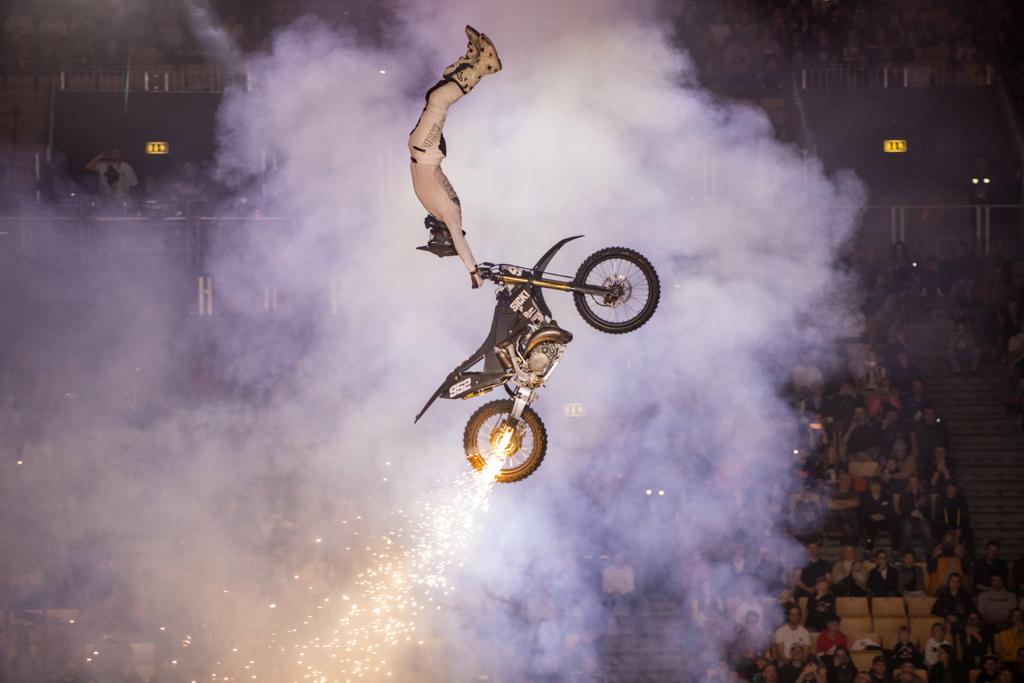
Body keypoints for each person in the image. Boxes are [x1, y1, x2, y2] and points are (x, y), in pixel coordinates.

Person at [408, 26, 502, 288]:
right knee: (439, 100)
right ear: (448, 235)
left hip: (422, 150)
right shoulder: (450, 214)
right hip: (426, 152)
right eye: (438, 238)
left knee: (434, 96)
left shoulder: (435, 210)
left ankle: (472, 59)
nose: (434, 234)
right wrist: (473, 272)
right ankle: (484, 66)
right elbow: (461, 241)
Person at [601, 552, 644, 636]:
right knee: (604, 603)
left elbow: (631, 586)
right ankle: (604, 630)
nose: (620, 560)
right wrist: (614, 592)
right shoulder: (607, 571)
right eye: (617, 558)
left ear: (624, 560)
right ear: (613, 559)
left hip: (625, 594)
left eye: (621, 559)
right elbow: (605, 587)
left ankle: (639, 630)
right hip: (611, 594)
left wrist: (621, 592)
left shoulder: (629, 570)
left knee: (635, 603)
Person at [896, 476, 934, 556]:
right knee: (907, 530)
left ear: (919, 483)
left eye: (916, 481)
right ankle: (905, 554)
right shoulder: (904, 495)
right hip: (908, 518)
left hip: (922, 518)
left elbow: (928, 508)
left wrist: (921, 513)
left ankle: (929, 555)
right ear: (909, 484)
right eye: (912, 482)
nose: (914, 483)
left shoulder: (925, 495)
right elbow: (903, 508)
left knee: (927, 531)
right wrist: (912, 512)